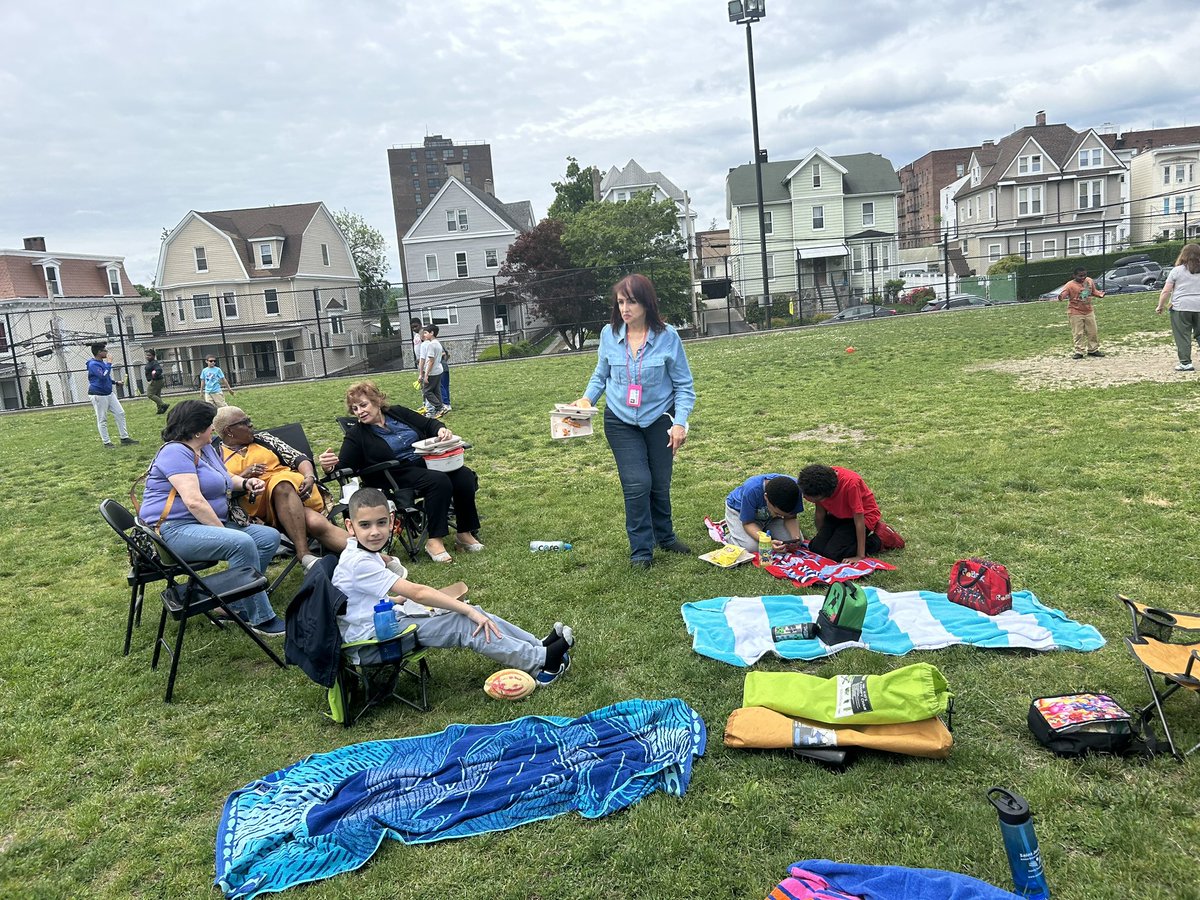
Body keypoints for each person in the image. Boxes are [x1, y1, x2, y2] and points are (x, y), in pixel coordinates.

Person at [334, 488, 573, 684]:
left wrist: (396, 597)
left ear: (392, 522)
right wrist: (464, 611)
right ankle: (542, 662)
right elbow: (417, 591)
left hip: (383, 623)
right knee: (464, 623)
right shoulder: (359, 562)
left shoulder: (362, 551)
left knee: (470, 610)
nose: (375, 532)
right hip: (372, 643)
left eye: (381, 523)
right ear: (350, 526)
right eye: (365, 525)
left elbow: (359, 601)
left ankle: (535, 644)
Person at [573, 274, 696, 569]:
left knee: (659, 483)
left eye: (632, 301)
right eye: (620, 302)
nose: (625, 308)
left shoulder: (668, 337)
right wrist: (587, 399)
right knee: (637, 483)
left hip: (659, 419)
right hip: (620, 420)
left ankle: (664, 537)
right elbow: (600, 375)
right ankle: (641, 551)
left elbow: (684, 386)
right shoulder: (608, 334)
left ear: (646, 302)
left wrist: (679, 423)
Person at [138, 400, 285, 636]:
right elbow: (194, 501)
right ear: (197, 428)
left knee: (268, 537)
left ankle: (232, 605)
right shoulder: (175, 452)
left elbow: (225, 478)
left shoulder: (206, 448)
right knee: (241, 542)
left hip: (202, 522)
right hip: (173, 530)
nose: (213, 430)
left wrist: (246, 482)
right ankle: (261, 618)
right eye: (210, 425)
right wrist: (225, 533)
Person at [318, 380, 484, 563]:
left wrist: (441, 429)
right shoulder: (357, 434)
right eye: (355, 409)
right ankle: (434, 540)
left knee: (464, 475)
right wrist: (329, 466)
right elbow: (344, 467)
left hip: (423, 462)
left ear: (377, 401)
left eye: (363, 405)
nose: (360, 411)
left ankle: (464, 533)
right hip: (393, 473)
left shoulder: (397, 413)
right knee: (438, 481)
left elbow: (429, 425)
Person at [212, 406, 348, 570]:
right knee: (315, 522)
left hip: (298, 493)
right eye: (245, 422)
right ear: (229, 431)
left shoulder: (265, 439)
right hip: (257, 511)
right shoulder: (215, 455)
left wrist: (310, 476)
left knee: (281, 484)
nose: (251, 424)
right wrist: (243, 477)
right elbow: (218, 489)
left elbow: (299, 458)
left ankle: (304, 554)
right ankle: (381, 559)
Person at [796, 464, 904, 563]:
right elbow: (820, 512)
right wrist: (824, 537)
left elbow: (859, 520)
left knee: (834, 554)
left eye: (812, 498)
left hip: (862, 517)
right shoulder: (816, 482)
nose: (805, 498)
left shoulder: (851, 483)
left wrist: (859, 556)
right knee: (815, 548)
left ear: (827, 494)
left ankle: (881, 537)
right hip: (838, 514)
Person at [724, 474, 804, 552]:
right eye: (777, 513)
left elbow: (791, 517)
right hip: (741, 512)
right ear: (766, 497)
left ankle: (764, 527)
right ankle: (731, 532)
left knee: (794, 541)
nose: (780, 516)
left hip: (769, 517)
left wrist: (795, 538)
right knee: (752, 547)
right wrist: (767, 542)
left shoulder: (795, 490)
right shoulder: (751, 490)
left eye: (783, 515)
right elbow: (748, 523)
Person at [1155, 243, 1200, 372]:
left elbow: (1166, 291)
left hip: (1181, 307)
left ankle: (1185, 363)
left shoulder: (1177, 271)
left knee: (1183, 335)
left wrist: (1160, 306)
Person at [87, 342, 137, 448]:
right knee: (102, 418)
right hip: (98, 394)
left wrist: (115, 382)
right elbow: (103, 376)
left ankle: (124, 438)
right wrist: (109, 363)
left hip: (109, 393)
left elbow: (107, 377)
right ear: (99, 352)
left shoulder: (101, 362)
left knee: (120, 413)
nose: (107, 352)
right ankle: (106, 442)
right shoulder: (93, 365)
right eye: (105, 350)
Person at [1058, 267, 1105, 359]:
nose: (1083, 278)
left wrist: (1100, 294)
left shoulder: (1089, 281)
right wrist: (1061, 297)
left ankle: (1093, 350)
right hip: (1075, 311)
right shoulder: (1069, 285)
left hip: (1088, 311)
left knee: (1093, 331)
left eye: (1084, 275)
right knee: (1078, 333)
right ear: (1074, 276)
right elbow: (1064, 294)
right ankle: (1079, 351)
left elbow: (1093, 291)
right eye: (1080, 276)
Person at [417, 325, 446, 417]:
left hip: (432, 372)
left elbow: (431, 361)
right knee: (436, 390)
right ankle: (441, 410)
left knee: (427, 391)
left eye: (426, 333)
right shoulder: (438, 343)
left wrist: (426, 374)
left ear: (432, 333)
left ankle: (440, 407)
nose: (424, 335)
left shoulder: (431, 345)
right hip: (439, 370)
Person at [143, 349, 169, 415]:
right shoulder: (150, 363)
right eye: (147, 355)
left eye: (149, 355)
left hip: (156, 381)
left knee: (150, 394)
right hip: (158, 381)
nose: (147, 356)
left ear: (153, 356)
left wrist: (154, 376)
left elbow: (159, 370)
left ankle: (163, 405)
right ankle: (160, 410)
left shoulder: (154, 363)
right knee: (157, 395)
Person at [440, 344, 452, 412]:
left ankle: (446, 403)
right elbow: (447, 354)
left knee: (442, 386)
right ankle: (447, 403)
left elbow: (444, 353)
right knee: (444, 386)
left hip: (442, 368)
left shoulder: (436, 343)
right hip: (444, 367)